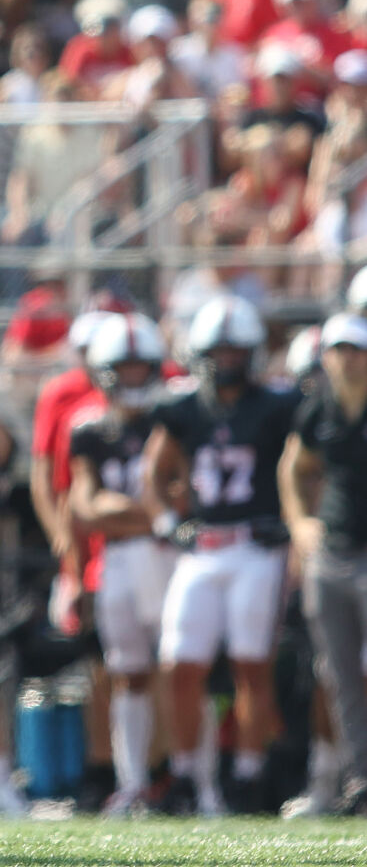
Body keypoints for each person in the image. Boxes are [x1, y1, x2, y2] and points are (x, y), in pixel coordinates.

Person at [145, 296, 299, 815]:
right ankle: (188, 775)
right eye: (220, 350)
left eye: (238, 350)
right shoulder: (183, 405)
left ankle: (247, 777)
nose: (228, 359)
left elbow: (305, 466)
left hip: (256, 548)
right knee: (178, 665)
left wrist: (293, 521)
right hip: (204, 548)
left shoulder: (278, 404)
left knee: (251, 666)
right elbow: (154, 473)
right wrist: (169, 522)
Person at [65, 312, 176, 817]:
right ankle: (132, 782)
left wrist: (127, 513)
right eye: (123, 369)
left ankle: (188, 779)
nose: (133, 378)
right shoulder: (89, 428)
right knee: (127, 672)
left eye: (140, 368)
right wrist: (150, 516)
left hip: (170, 557)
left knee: (179, 669)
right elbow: (87, 509)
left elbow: (184, 500)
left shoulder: (176, 416)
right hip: (120, 563)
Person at [280, 311, 367, 816]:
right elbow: (293, 467)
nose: (346, 358)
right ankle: (358, 780)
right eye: (338, 350)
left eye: (354, 349)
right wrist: (299, 522)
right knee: (337, 676)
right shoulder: (320, 410)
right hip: (333, 552)